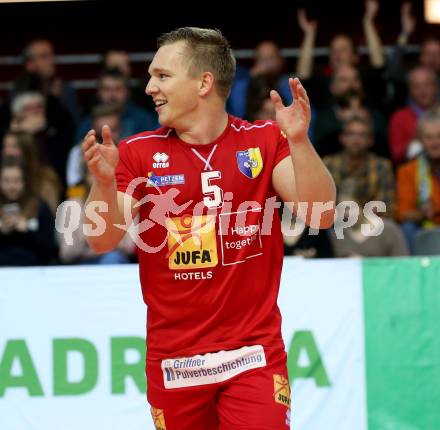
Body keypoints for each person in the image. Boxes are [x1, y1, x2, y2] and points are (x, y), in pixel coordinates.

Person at [81, 27, 335, 429]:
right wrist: (104, 181)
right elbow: (101, 240)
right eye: (151, 76)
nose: (149, 87)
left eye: (163, 76)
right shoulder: (137, 153)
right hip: (175, 365)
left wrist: (300, 141)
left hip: (252, 356)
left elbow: (320, 214)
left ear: (204, 83)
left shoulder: (265, 141)